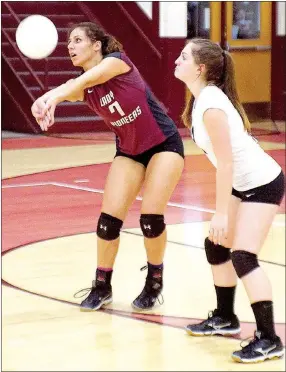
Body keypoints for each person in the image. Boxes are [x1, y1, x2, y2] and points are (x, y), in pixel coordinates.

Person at [31, 22, 185, 312]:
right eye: (68, 43)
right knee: (107, 223)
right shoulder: (82, 85)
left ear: (97, 45)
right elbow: (66, 89)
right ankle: (102, 286)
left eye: (77, 40)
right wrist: (40, 105)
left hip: (164, 144)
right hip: (129, 150)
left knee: (150, 219)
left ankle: (154, 280)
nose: (71, 47)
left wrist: (57, 96)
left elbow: (75, 85)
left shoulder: (117, 62)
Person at [174, 38, 285, 363]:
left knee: (243, 256)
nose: (176, 62)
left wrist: (221, 213)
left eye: (183, 57)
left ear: (201, 68)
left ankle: (269, 338)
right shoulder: (202, 99)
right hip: (242, 183)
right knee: (216, 246)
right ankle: (225, 317)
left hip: (262, 184)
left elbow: (227, 163)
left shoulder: (210, 106)